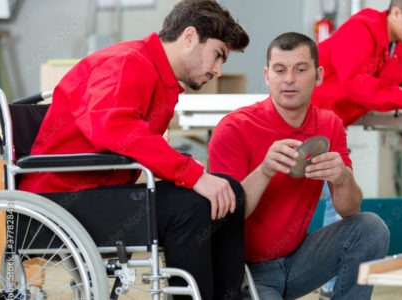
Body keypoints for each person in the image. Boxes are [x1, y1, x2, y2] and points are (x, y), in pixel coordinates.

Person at [19, 1, 249, 299]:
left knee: (230, 192)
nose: (218, 70)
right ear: (190, 37)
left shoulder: (154, 72)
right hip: (63, 199)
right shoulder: (127, 62)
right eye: (218, 55)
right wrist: (193, 175)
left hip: (99, 190)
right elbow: (113, 127)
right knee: (191, 207)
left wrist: (196, 177)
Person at [208, 32, 389, 300]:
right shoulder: (234, 129)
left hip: (297, 262)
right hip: (245, 271)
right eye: (280, 70)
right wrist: (265, 170)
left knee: (371, 228)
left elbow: (349, 209)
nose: (289, 79)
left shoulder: (329, 124)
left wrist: (342, 178)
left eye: (300, 69)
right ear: (267, 76)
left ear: (318, 75)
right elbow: (225, 218)